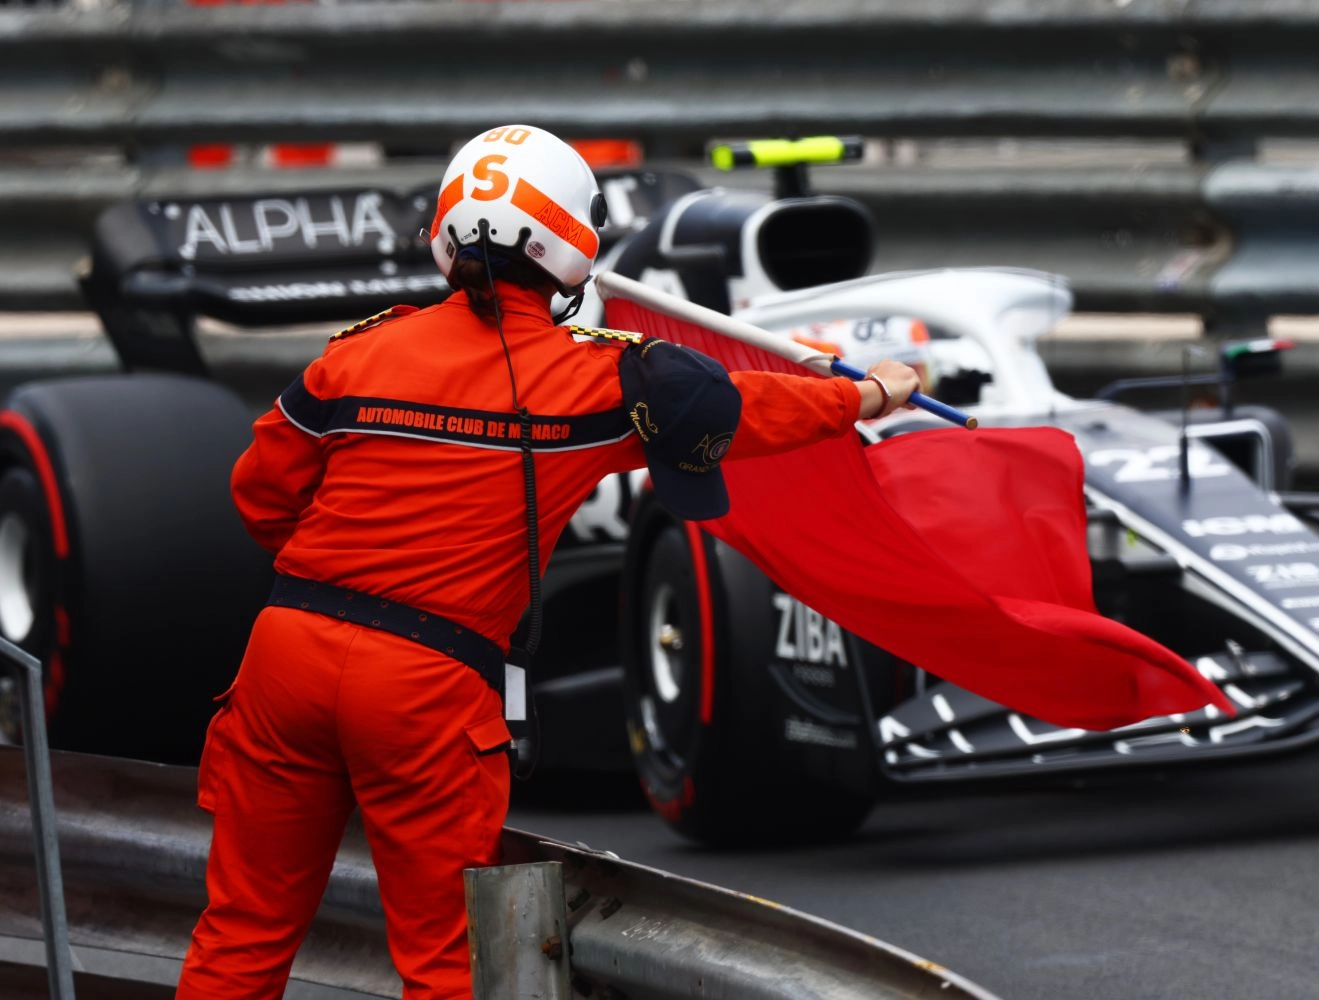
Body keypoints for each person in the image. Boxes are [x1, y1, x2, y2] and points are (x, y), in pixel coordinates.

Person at [175, 124, 920, 1000]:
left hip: (285, 655)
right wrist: (862, 394)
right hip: (424, 684)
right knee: (445, 962)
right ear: (570, 240)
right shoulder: (594, 380)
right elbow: (744, 408)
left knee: (242, 935)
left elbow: (258, 493)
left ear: (450, 235)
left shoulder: (356, 352)